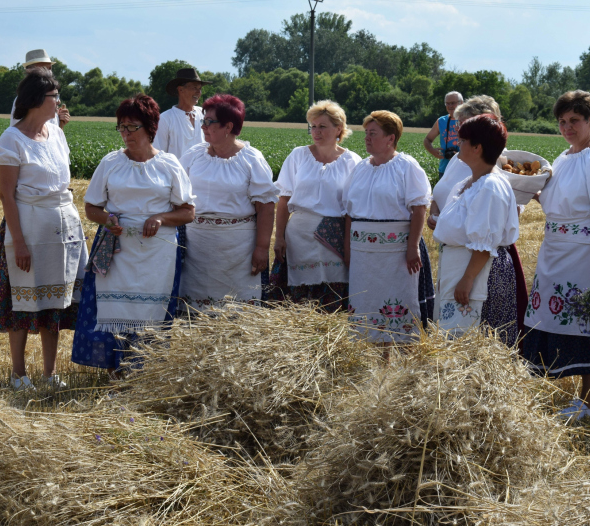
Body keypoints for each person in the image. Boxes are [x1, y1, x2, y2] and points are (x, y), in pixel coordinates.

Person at [521, 90, 590, 421]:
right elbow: (561, 205)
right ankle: (584, 400)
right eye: (562, 122)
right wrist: (531, 190)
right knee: (559, 320)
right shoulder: (564, 158)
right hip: (556, 250)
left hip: (588, 252)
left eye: (575, 121)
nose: (568, 127)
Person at [71, 94, 195, 376]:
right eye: (122, 127)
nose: (126, 134)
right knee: (116, 310)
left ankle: (145, 372)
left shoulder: (169, 164)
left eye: (132, 127)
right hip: (117, 250)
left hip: (157, 253)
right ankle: (117, 370)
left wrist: (161, 217)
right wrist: (108, 219)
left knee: (150, 312)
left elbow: (188, 212)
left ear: (150, 128)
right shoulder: (111, 163)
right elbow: (91, 207)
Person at [0, 68, 87, 391]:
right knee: (23, 302)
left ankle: (50, 373)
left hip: (61, 228)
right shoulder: (11, 140)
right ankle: (18, 374)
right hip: (28, 228)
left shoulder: (56, 134)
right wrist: (20, 242)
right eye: (55, 97)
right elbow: (6, 194)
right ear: (36, 100)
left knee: (54, 302)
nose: (59, 102)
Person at [428, 95, 528, 345]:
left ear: (477, 147)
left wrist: (467, 279)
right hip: (460, 266)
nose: (457, 144)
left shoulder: (490, 186)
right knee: (452, 340)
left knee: (474, 343)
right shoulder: (468, 183)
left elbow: (484, 242)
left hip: (477, 271)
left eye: (462, 140)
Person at [178, 95, 277, 310]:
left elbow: (266, 207)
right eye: (203, 121)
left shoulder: (251, 159)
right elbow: (176, 195)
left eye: (209, 122)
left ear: (228, 126)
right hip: (197, 248)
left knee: (236, 311)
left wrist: (261, 248)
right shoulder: (193, 156)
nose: (203, 126)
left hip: (237, 250)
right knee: (194, 310)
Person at [343, 110, 434, 344]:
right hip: (363, 255)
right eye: (366, 133)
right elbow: (349, 214)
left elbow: (419, 208)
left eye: (373, 133)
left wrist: (413, 246)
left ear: (391, 138)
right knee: (365, 304)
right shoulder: (360, 168)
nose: (366, 138)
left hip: (396, 253)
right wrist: (348, 248)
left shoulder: (407, 166)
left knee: (398, 305)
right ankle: (371, 359)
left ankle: (401, 360)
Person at [270, 100, 361, 311]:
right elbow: (283, 199)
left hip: (335, 237)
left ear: (339, 129)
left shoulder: (352, 161)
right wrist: (279, 237)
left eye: (322, 126)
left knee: (334, 288)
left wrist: (349, 245)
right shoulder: (298, 155)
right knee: (299, 293)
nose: (316, 132)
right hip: (298, 234)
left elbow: (353, 209)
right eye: (313, 126)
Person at [153, 68, 212, 159]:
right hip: (176, 173)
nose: (198, 92)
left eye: (200, 89)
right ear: (180, 90)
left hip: (203, 173)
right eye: (194, 87)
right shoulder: (165, 119)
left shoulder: (205, 114)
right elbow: (158, 155)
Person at [10, 49, 70, 129]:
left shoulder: (49, 97)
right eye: (44, 68)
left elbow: (50, 134)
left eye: (50, 68)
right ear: (29, 71)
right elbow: (27, 132)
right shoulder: (25, 99)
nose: (49, 72)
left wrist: (60, 121)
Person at [423, 91, 463, 176]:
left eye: (453, 103)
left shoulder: (469, 120)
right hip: (444, 169)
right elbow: (427, 140)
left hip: (463, 169)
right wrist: (432, 151)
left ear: (462, 103)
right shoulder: (441, 121)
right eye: (447, 103)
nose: (450, 106)